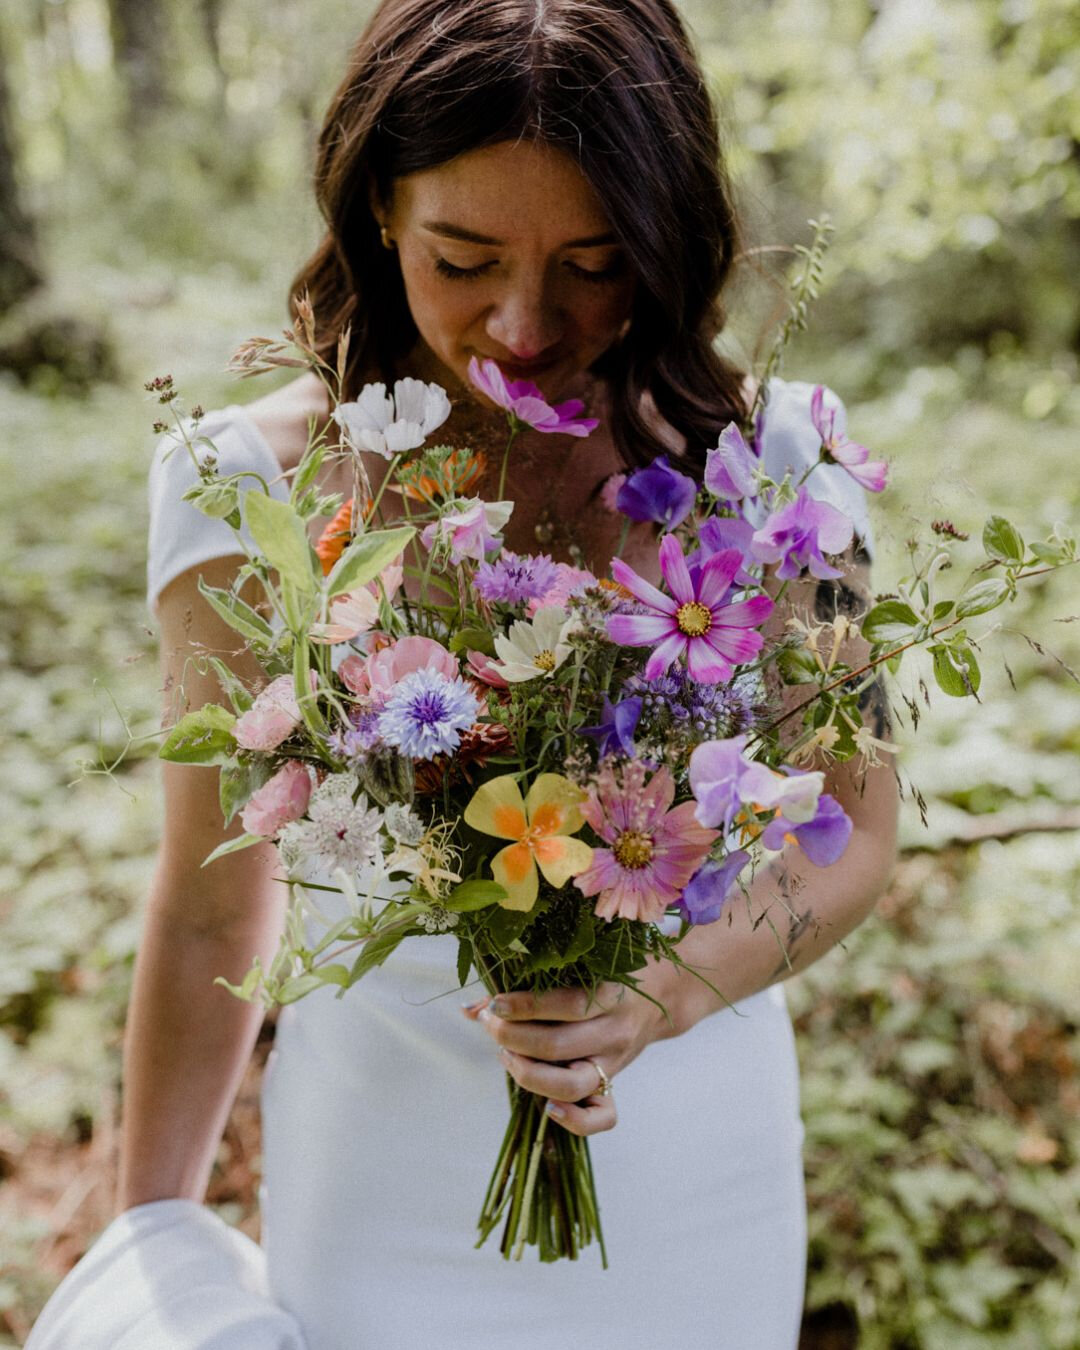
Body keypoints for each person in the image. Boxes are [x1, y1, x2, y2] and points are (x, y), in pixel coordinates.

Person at [27, 2, 898, 1347]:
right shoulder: (250, 487)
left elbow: (858, 826)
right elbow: (210, 899)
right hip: (379, 1183)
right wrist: (149, 1246)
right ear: (380, 206)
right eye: (465, 255)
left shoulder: (786, 466)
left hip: (693, 1177)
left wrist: (662, 995)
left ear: (668, 238)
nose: (524, 320)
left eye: (596, 264)